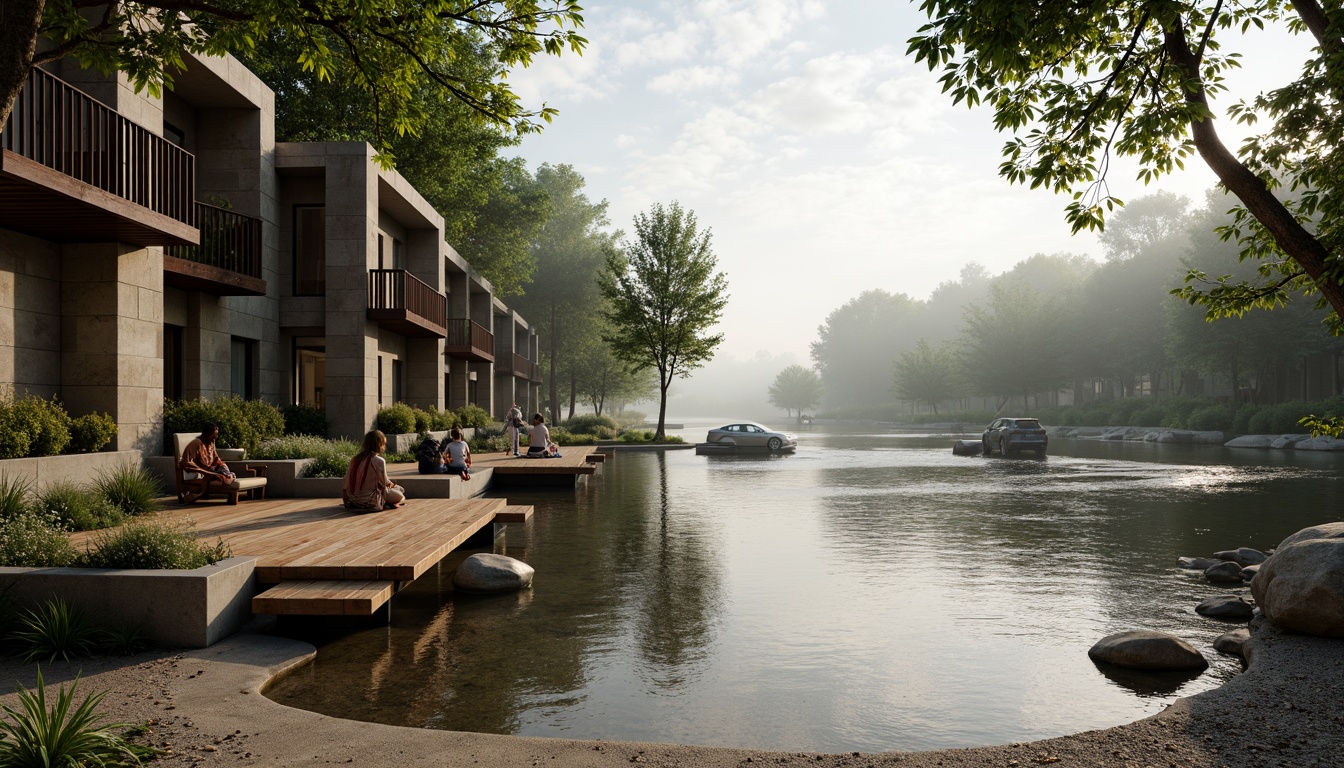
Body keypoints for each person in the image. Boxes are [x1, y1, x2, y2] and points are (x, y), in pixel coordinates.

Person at [342, 430, 406, 511]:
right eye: (384, 444)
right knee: (401, 494)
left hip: (352, 499)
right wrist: (392, 485)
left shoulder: (355, 459)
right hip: (371, 499)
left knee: (399, 489)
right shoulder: (379, 460)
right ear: (379, 444)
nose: (384, 447)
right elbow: (384, 483)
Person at [179, 423, 235, 502]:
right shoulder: (196, 444)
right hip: (204, 471)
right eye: (212, 437)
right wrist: (208, 472)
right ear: (206, 434)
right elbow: (186, 462)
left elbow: (216, 459)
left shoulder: (210, 443)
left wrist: (222, 467)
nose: (214, 439)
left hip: (212, 469)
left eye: (215, 436)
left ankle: (230, 489)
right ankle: (196, 494)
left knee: (227, 475)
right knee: (222, 476)